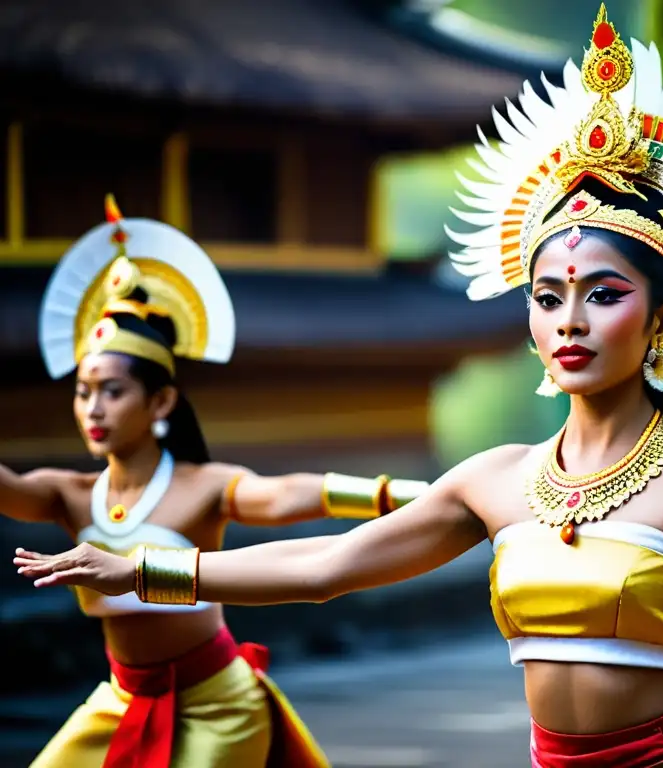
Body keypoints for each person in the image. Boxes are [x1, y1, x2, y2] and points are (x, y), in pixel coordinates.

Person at [14, 9, 663, 768]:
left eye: (602, 294)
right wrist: (148, 571)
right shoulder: (495, 479)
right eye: (547, 296)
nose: (569, 318)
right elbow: (326, 568)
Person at [4, 196, 427, 768]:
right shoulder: (67, 493)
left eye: (112, 390)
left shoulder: (205, 486)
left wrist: (416, 496)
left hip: (217, 704)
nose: (93, 408)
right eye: (83, 391)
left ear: (161, 401)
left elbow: (282, 495)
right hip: (119, 699)